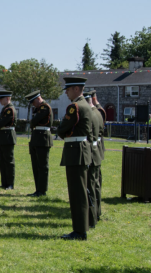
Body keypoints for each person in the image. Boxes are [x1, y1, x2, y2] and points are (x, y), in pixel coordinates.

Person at [56, 77, 93, 240]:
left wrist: (62, 131)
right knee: (79, 191)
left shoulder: (75, 106)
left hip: (75, 151)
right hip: (78, 150)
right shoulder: (84, 105)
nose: (66, 92)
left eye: (68, 89)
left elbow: (63, 128)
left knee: (77, 193)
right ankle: (80, 228)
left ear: (77, 89)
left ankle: (80, 230)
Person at [25, 90, 53, 197]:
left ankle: (42, 190)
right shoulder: (38, 108)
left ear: (38, 98)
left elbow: (34, 120)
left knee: (42, 166)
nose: (33, 104)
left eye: (33, 101)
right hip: (37, 137)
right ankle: (38, 189)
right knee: (36, 165)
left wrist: (33, 122)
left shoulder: (44, 107)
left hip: (43, 138)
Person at [84, 90, 102, 229]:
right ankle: (97, 212)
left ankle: (92, 216)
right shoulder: (97, 112)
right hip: (96, 151)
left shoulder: (90, 113)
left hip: (91, 151)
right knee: (95, 185)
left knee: (90, 186)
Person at [0, 90, 17, 189]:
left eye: (1, 98)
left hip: (7, 136)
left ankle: (10, 183)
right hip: (3, 136)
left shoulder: (9, 109)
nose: (0, 101)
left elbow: (2, 122)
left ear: (7, 98)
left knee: (8, 161)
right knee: (2, 161)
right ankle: (4, 183)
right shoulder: (5, 109)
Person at [92, 91, 107, 221]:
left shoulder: (99, 111)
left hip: (97, 146)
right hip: (95, 146)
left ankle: (96, 208)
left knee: (96, 180)